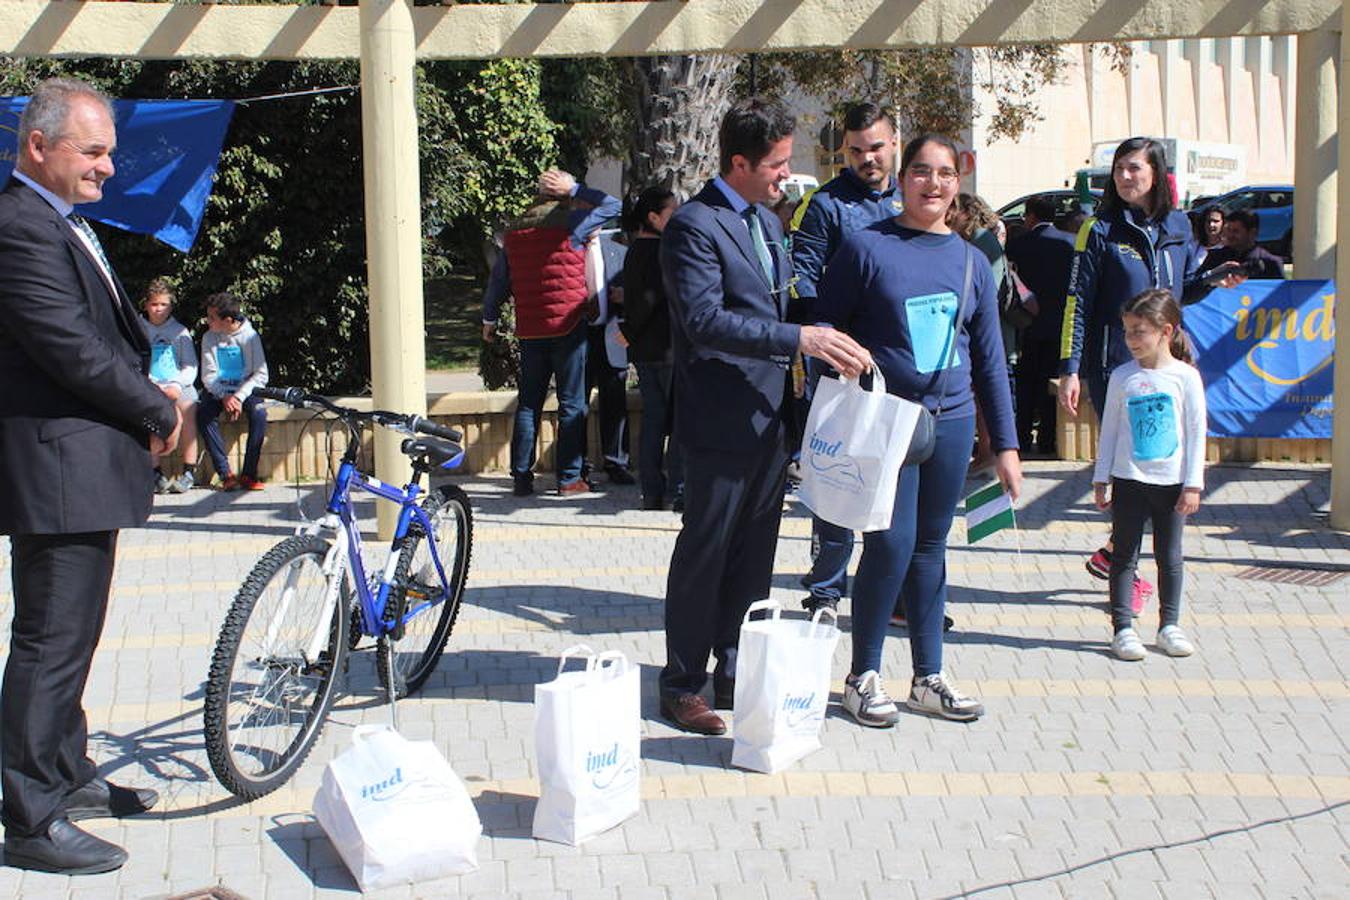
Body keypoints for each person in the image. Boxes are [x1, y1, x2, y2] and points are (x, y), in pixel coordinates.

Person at [0, 76, 181, 875]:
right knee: (49, 641)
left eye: (110, 151)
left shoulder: (54, 219)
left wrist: (152, 393)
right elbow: (67, 346)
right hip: (56, 467)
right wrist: (157, 409)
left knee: (69, 638)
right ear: (38, 146)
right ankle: (31, 817)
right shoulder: (19, 226)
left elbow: (95, 342)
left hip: (75, 465)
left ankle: (66, 777)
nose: (109, 167)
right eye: (95, 150)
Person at [658, 99, 872, 735]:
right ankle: (681, 683)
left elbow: (786, 308)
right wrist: (797, 340)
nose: (787, 175)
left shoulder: (769, 224)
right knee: (707, 552)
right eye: (776, 164)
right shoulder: (694, 226)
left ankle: (736, 671)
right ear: (739, 162)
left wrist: (828, 332)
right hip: (719, 422)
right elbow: (703, 322)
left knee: (754, 558)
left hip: (772, 420)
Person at [815, 133, 1022, 728]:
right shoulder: (865, 247)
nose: (934, 184)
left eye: (946, 174)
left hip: (952, 421)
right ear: (902, 180)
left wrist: (1004, 446)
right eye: (922, 173)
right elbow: (827, 326)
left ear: (959, 183)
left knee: (932, 547)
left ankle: (928, 676)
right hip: (887, 421)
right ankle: (863, 676)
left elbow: (989, 362)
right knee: (891, 542)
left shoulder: (971, 260)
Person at [1057, 136, 1241, 610]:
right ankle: (1128, 572)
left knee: (1163, 466)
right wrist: (1071, 367)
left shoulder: (1180, 226)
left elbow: (1174, 296)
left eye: (1134, 168)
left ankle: (1115, 554)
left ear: (1156, 173)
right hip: (1117, 368)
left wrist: (1211, 281)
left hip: (1170, 368)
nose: (1124, 177)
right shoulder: (1097, 230)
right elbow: (1077, 303)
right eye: (1119, 169)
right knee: (1131, 470)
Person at [789, 101, 900, 616]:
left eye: (875, 147)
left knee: (899, 488)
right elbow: (802, 278)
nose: (866, 158)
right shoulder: (825, 205)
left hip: (903, 368)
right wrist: (830, 338)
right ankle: (825, 595)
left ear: (894, 143)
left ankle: (895, 594)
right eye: (855, 150)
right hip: (843, 368)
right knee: (837, 480)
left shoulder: (915, 199)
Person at [482, 169, 621, 497]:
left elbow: (499, 281)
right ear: (563, 195)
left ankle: (521, 477)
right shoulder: (573, 224)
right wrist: (577, 188)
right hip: (568, 327)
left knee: (529, 403)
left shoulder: (515, 231)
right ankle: (569, 479)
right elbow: (614, 206)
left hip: (530, 329)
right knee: (571, 403)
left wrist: (489, 318)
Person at [1093, 289, 1205, 661]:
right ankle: (1122, 628)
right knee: (1124, 554)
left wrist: (1193, 484)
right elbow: (1109, 429)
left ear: (1165, 331)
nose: (1131, 340)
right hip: (1129, 479)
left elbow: (1196, 432)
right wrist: (1101, 476)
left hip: (1172, 483)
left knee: (1169, 555)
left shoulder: (1186, 377)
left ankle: (1169, 625)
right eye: (1127, 332)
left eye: (1139, 331)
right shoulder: (1122, 376)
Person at [620, 186, 683, 511]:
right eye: (672, 212)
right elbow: (647, 301)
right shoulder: (663, 252)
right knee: (678, 423)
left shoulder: (634, 252)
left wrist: (629, 331)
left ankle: (652, 491)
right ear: (654, 217)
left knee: (654, 423)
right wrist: (630, 329)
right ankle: (675, 489)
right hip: (667, 350)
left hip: (646, 351)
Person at [1005, 194, 1075, 456]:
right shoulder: (1069, 244)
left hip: (1027, 325)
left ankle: (1022, 437)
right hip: (1059, 324)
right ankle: (1048, 438)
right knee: (1051, 383)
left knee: (1026, 385)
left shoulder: (1019, 244)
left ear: (1030, 215)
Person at [948, 192, 1012, 472]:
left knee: (983, 391)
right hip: (975, 326)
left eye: (955, 210)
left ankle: (989, 452)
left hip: (985, 328)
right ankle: (984, 452)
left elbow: (990, 288)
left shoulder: (981, 242)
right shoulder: (969, 240)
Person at [197, 291, 269, 490]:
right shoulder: (208, 338)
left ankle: (248, 474)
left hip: (245, 391)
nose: (207, 321)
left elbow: (261, 374)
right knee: (204, 414)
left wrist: (238, 396)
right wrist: (224, 395)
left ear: (228, 320)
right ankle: (225, 474)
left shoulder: (250, 337)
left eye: (211, 318)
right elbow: (208, 375)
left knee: (259, 413)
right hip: (220, 390)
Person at [582, 223, 635, 485]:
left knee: (615, 400)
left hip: (613, 335)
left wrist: (625, 297)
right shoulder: (569, 250)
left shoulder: (619, 253)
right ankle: (578, 466)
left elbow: (636, 296)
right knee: (576, 403)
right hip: (578, 338)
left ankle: (616, 462)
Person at [141, 278, 200, 493]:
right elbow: (135, 361)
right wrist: (151, 384)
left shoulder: (180, 332)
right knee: (149, 417)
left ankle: (188, 470)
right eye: (154, 304)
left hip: (179, 384)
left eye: (164, 304)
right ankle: (155, 471)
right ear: (146, 305)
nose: (158, 309)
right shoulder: (138, 329)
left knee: (188, 412)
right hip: (149, 385)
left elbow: (190, 365)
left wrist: (176, 385)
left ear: (171, 306)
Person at [1204, 209, 1285, 279]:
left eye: (1236, 231)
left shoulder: (1270, 263)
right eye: (1228, 230)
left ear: (1252, 233)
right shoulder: (1215, 258)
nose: (1230, 235)